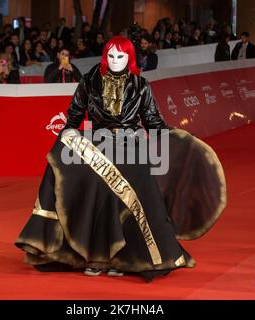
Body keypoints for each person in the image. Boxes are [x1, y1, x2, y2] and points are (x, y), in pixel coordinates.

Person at [15, 36, 227, 282]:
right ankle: (93, 256)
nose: (115, 61)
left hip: (131, 144)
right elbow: (73, 116)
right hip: (98, 143)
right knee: (83, 181)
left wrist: (179, 137)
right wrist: (67, 136)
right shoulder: (89, 81)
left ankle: (124, 258)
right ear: (106, 56)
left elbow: (154, 123)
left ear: (130, 58)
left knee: (134, 184)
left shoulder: (141, 85)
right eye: (111, 56)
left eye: (121, 56)